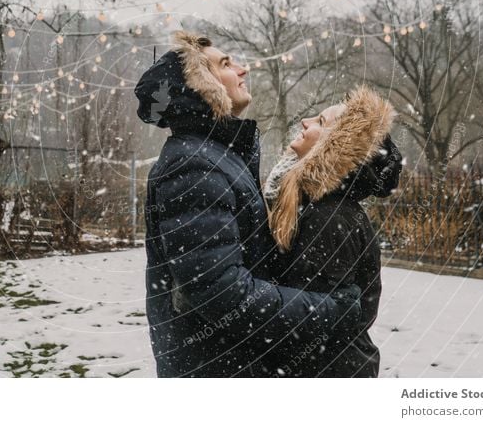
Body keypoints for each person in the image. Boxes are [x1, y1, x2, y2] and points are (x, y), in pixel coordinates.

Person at [134, 30, 362, 378]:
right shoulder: (194, 165)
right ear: (201, 85)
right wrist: (331, 310)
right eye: (226, 63)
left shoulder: (216, 156)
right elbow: (223, 295)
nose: (243, 70)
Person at [260, 85, 403, 377]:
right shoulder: (314, 205)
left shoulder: (328, 216)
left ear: (336, 149)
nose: (305, 122)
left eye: (321, 122)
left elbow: (321, 319)